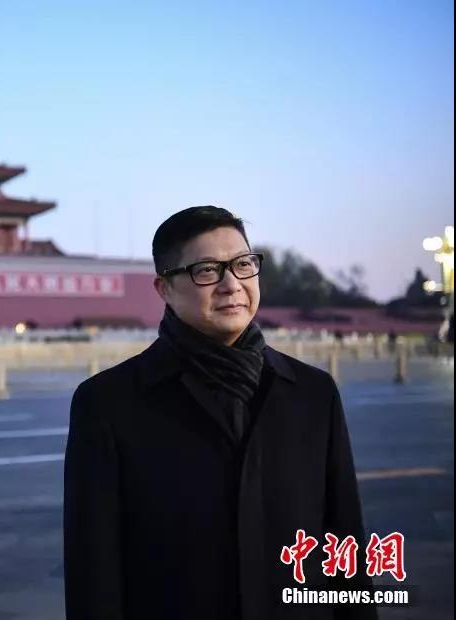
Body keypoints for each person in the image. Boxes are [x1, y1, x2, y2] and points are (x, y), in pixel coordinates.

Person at [63, 206, 376, 619]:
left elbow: (345, 541)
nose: (232, 285)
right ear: (164, 288)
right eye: (207, 270)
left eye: (244, 264)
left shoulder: (312, 394)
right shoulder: (108, 403)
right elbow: (94, 571)